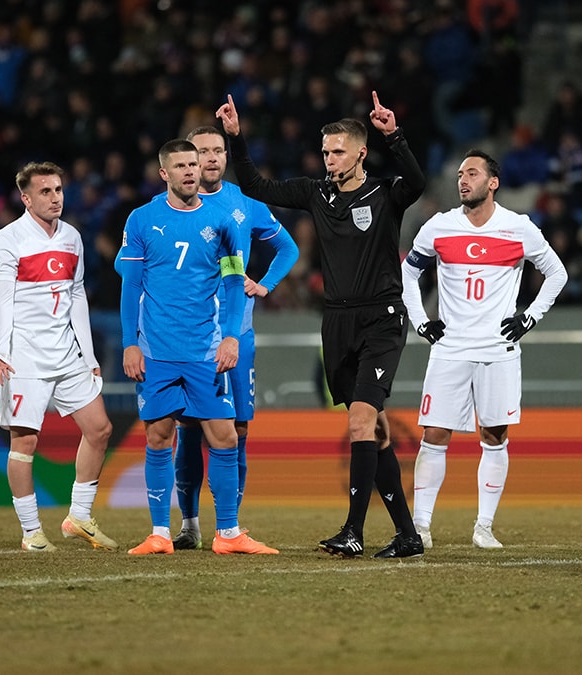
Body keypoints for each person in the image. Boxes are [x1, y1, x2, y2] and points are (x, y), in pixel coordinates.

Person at [216, 91, 427, 558]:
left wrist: (396, 135)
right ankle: (408, 536)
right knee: (376, 431)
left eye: (338, 151)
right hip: (337, 321)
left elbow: (417, 179)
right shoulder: (317, 194)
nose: (330, 159)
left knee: (359, 421)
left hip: (382, 318)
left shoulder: (387, 192)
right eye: (326, 152)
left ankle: (353, 530)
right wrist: (237, 140)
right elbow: (257, 187)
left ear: (360, 152)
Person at [115, 139, 277, 556]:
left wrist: (228, 336)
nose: (191, 170)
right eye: (181, 165)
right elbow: (130, 286)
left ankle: (228, 533)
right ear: (163, 174)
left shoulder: (223, 221)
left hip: (205, 349)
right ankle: (159, 534)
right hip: (157, 350)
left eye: (194, 163)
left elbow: (232, 283)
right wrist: (130, 344)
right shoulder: (141, 220)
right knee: (158, 436)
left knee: (224, 437)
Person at [400, 149, 567, 549]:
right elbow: (407, 272)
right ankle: (421, 526)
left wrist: (529, 318)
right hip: (450, 348)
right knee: (434, 435)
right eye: (460, 173)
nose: (462, 180)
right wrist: (420, 321)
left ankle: (484, 527)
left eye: (472, 173)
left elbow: (557, 272)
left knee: (494, 436)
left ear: (492, 183)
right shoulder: (439, 227)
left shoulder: (519, 228)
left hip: (498, 350)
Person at [169, 126, 300, 551]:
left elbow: (289, 249)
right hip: (189, 337)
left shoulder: (246, 204)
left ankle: (231, 524)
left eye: (218, 150)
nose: (210, 158)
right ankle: (189, 523)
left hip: (237, 335)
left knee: (238, 428)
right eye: (201, 151)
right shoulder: (170, 207)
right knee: (189, 427)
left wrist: (264, 284)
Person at [0, 161, 116, 552]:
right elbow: (2, 302)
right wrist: (1, 351)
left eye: (58, 190)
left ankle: (79, 516)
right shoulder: (7, 241)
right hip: (24, 357)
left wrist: (88, 354)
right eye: (45, 191)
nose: (55, 197)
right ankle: (31, 532)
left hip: (66, 354)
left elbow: (76, 296)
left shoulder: (72, 237)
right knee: (24, 444)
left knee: (100, 429)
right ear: (26, 198)